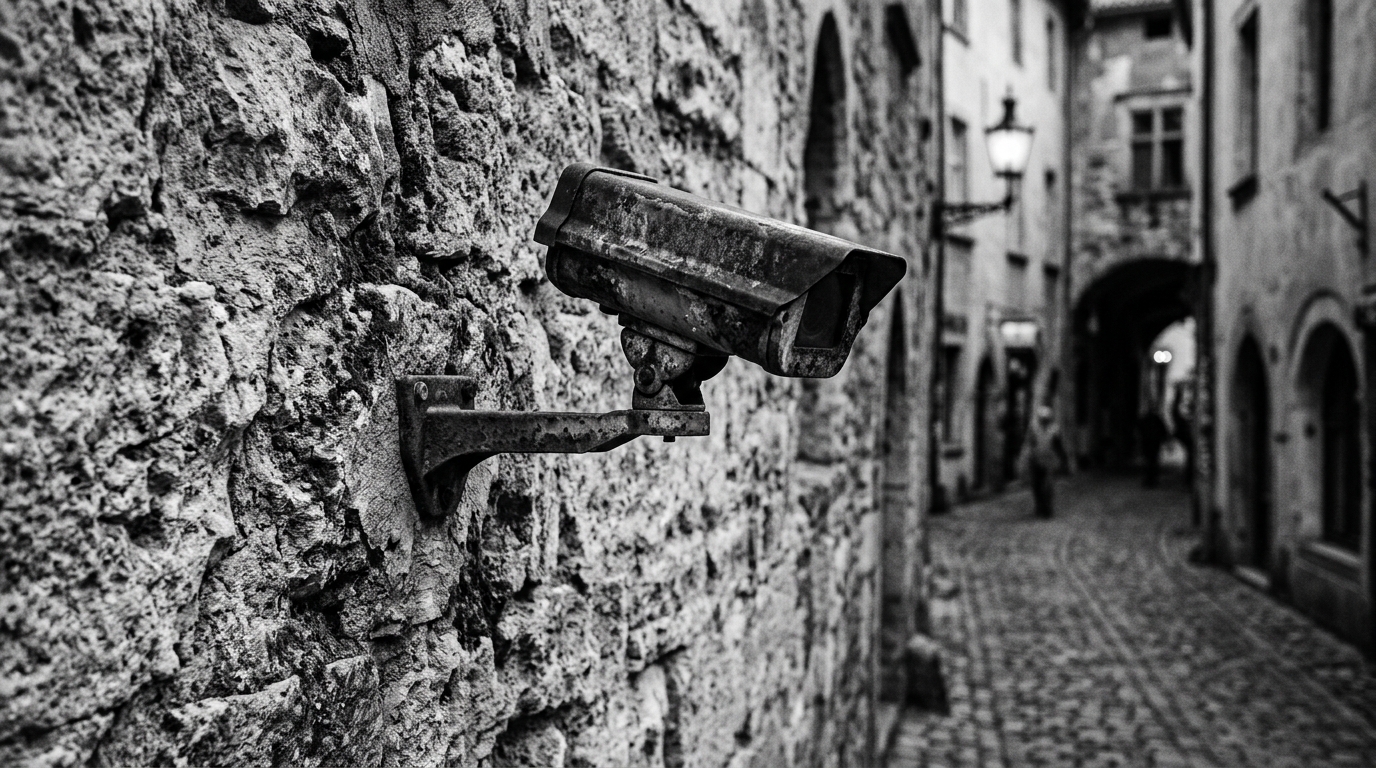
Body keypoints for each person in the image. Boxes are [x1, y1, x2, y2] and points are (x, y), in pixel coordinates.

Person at [1024, 405, 1064, 518]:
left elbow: (1058, 445)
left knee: (1048, 485)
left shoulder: (1054, 429)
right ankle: (1039, 506)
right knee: (1036, 485)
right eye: (1042, 418)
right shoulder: (1033, 427)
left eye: (1046, 419)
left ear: (1049, 419)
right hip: (1035, 459)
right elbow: (1030, 443)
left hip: (1049, 460)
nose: (1044, 421)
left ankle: (1048, 508)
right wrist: (1028, 457)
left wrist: (1060, 458)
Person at [1139, 407, 1169, 488]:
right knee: (1153, 461)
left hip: (1148, 443)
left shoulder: (1145, 419)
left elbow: (1140, 430)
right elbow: (1163, 430)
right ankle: (1152, 479)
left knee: (1149, 461)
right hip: (1154, 443)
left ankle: (1149, 479)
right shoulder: (1156, 419)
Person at [1172, 382, 1194, 485]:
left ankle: (1189, 478)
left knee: (1190, 456)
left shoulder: (1182, 419)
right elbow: (1175, 411)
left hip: (1185, 434)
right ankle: (1189, 478)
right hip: (1185, 435)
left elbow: (1175, 411)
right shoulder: (1181, 421)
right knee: (1190, 456)